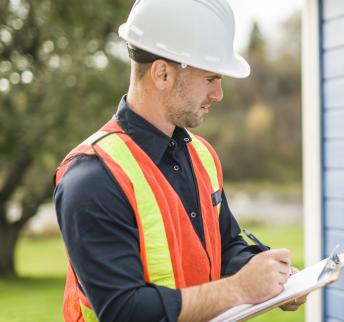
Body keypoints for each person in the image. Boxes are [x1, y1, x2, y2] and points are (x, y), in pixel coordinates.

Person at [53, 0, 305, 321]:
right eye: (210, 79)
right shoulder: (92, 177)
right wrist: (239, 289)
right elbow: (123, 310)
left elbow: (226, 246)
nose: (218, 95)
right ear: (162, 74)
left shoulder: (202, 156)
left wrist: (273, 278)